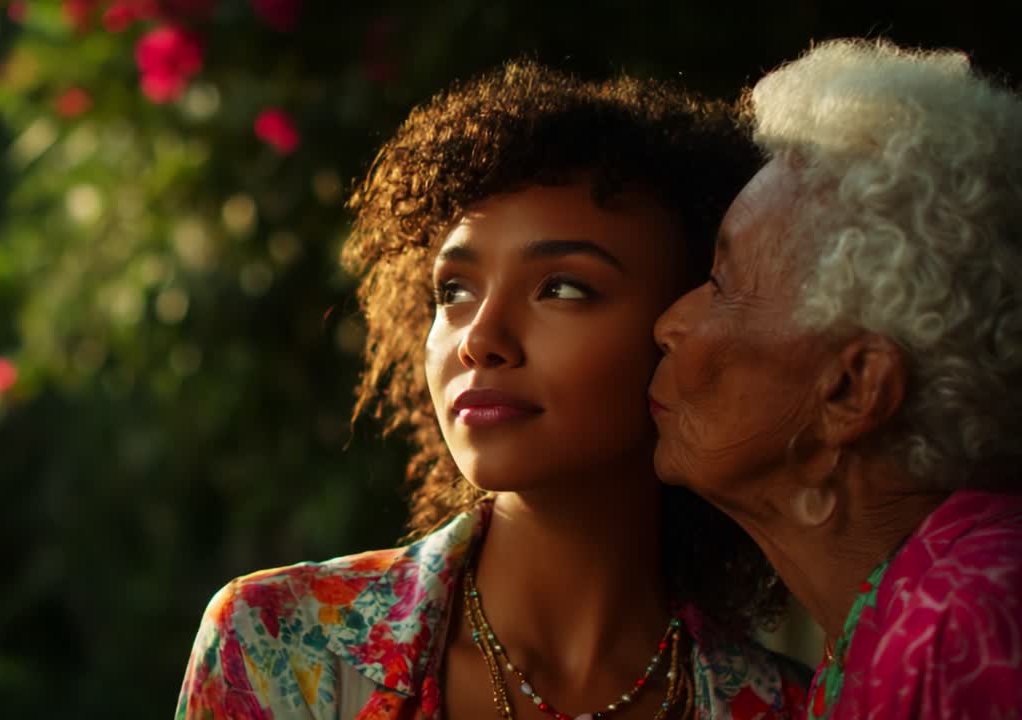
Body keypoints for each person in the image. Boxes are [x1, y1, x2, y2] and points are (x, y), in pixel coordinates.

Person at [177, 60, 808, 720]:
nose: (480, 337)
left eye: (562, 288)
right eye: (455, 291)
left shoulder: (792, 708)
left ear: (688, 328)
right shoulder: (281, 646)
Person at [650, 38, 1022, 720]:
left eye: (720, 283)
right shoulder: (891, 623)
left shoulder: (963, 622)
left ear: (852, 392)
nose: (668, 323)